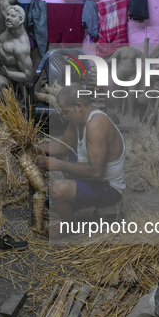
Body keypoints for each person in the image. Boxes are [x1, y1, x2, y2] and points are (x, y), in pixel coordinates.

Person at [37, 84, 125, 236]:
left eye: (66, 111)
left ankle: (70, 227)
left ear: (78, 106)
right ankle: (74, 200)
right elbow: (62, 147)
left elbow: (96, 172)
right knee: (66, 153)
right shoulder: (78, 120)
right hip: (93, 177)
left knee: (57, 189)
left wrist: (58, 165)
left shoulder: (96, 124)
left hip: (108, 187)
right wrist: (35, 147)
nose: (64, 116)